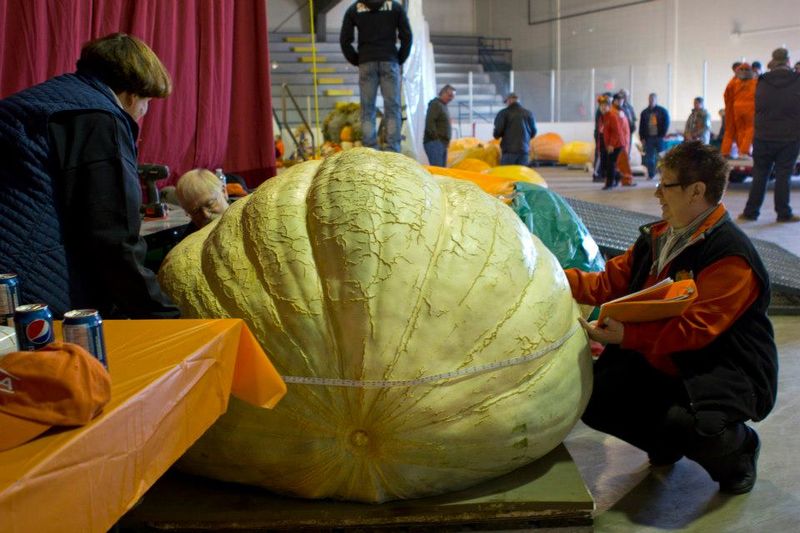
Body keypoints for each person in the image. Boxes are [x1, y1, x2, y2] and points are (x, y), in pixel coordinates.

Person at [567, 141, 778, 495]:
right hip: (663, 357)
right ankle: (663, 442)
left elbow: (696, 329)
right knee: (595, 396)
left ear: (697, 191)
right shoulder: (658, 238)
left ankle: (740, 450)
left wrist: (627, 337)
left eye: (666, 185)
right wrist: (554, 277)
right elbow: (607, 283)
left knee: (700, 428)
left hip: (720, 368)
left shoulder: (731, 256)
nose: (657, 194)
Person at [0, 32, 179, 319]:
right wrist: (165, 315)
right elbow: (112, 238)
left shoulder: (44, 101)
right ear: (131, 94)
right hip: (35, 292)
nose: (144, 112)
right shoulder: (99, 118)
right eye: (147, 101)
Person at [340, 0, 412, 153]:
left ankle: (370, 149)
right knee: (392, 108)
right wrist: (399, 58)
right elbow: (407, 35)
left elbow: (344, 40)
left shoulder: (354, 8)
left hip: (366, 62)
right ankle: (392, 149)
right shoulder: (395, 7)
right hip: (389, 60)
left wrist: (357, 59)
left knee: (367, 109)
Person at [740, 48, 800, 223]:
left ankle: (750, 213)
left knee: (759, 174)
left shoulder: (762, 80)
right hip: (789, 137)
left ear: (773, 61)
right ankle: (783, 213)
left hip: (763, 136)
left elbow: (756, 106)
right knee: (783, 175)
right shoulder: (797, 80)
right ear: (788, 61)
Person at [493, 92, 537, 165]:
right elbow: (534, 132)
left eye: (506, 102)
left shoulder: (503, 113)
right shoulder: (528, 113)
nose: (506, 104)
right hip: (524, 152)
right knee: (521, 175)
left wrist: (496, 135)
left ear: (509, 100)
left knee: (507, 174)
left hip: (509, 152)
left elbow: (497, 132)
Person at [639, 93, 670, 179]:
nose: (651, 101)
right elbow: (641, 126)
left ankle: (664, 175)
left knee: (662, 157)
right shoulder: (644, 112)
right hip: (649, 138)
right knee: (650, 158)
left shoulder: (662, 111)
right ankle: (651, 174)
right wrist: (642, 137)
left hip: (660, 137)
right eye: (650, 99)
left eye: (653, 99)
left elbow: (666, 122)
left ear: (656, 100)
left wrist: (663, 134)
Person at [423, 84, 456, 167]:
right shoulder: (436, 104)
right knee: (438, 170)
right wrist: (436, 139)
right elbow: (430, 122)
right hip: (435, 143)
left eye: (453, 97)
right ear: (443, 93)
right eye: (450, 95)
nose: (451, 98)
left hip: (440, 143)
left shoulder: (442, 106)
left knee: (441, 171)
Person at [598, 95, 626, 190]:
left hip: (617, 144)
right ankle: (617, 177)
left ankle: (609, 184)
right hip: (609, 144)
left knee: (610, 164)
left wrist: (611, 145)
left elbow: (616, 132)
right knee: (607, 164)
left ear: (609, 106)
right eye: (601, 105)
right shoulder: (603, 117)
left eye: (605, 105)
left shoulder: (612, 116)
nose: (603, 107)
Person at [729, 63, 757, 158]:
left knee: (740, 130)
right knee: (750, 129)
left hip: (736, 108)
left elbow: (728, 94)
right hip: (750, 108)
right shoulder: (754, 82)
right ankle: (745, 151)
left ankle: (741, 151)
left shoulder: (734, 82)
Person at [612, 93, 636, 187]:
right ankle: (626, 180)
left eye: (622, 100)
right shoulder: (614, 112)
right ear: (615, 100)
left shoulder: (621, 110)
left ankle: (618, 180)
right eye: (619, 100)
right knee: (623, 163)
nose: (621, 102)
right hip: (619, 142)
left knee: (620, 163)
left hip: (624, 141)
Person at [721, 61, 742, 157]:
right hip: (734, 111)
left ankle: (730, 152)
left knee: (734, 133)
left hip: (734, 111)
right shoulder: (735, 82)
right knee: (733, 133)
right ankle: (731, 153)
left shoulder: (734, 81)